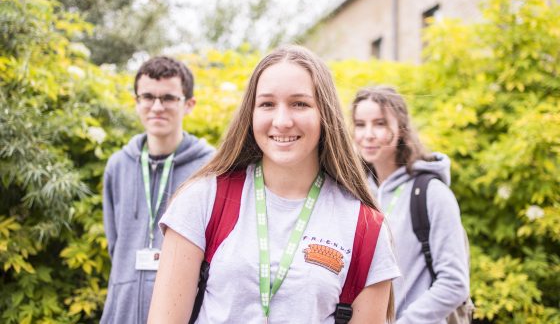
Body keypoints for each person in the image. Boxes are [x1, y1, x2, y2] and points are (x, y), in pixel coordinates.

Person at [148, 45, 400, 323]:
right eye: (267, 104)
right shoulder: (202, 200)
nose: (282, 121)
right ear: (251, 113)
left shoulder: (366, 229)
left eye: (299, 104)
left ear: (325, 114)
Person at [101, 56, 215, 324]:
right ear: (136, 102)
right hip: (122, 313)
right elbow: (115, 245)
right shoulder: (118, 165)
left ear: (189, 104)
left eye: (168, 98)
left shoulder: (211, 168)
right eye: (148, 97)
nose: (157, 107)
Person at [351, 86, 470, 323]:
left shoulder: (431, 193)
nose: (368, 134)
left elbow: (455, 283)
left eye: (380, 123)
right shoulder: (354, 192)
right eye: (360, 124)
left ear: (402, 130)